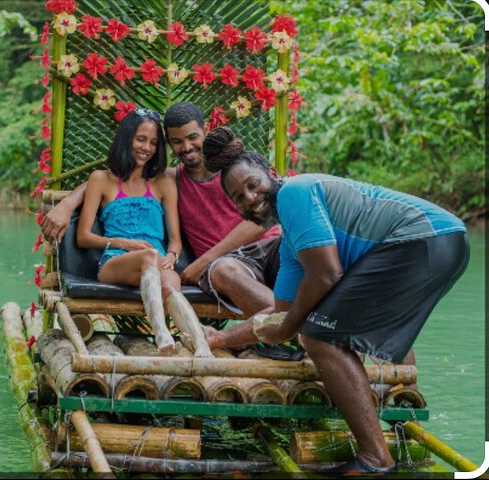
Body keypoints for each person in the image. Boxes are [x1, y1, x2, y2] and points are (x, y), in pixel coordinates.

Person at [201, 126, 469, 474]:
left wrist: (289, 328)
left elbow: (327, 275)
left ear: (272, 173)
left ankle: (375, 458)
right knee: (321, 330)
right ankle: (396, 432)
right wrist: (223, 338)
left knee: (317, 336)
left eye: (252, 185)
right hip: (443, 243)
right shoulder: (292, 244)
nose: (249, 198)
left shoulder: (296, 192)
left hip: (425, 240)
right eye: (238, 197)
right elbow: (277, 312)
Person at [41, 102, 281, 323]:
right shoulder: (170, 179)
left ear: (205, 131)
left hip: (269, 247)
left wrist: (201, 261)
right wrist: (68, 202)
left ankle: (293, 330)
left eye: (193, 137)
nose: (186, 147)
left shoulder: (234, 170)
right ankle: (286, 328)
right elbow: (117, 178)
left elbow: (265, 217)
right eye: (177, 142)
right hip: (229, 266)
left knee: (302, 251)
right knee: (224, 271)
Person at [76, 108, 212, 357]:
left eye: (153, 143)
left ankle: (203, 348)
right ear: (126, 138)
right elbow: (83, 237)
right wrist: (125, 243)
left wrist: (172, 256)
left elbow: (174, 241)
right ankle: (162, 335)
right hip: (116, 262)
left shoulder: (163, 184)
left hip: (157, 263)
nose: (146, 148)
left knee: (171, 285)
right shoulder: (101, 179)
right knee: (149, 256)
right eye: (140, 139)